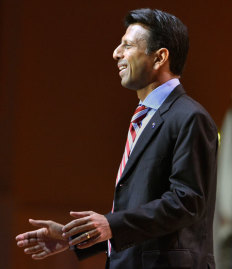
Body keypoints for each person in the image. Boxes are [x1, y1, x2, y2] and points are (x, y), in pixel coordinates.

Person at [15, 8, 218, 269]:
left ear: (160, 57)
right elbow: (141, 215)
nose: (116, 53)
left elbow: (186, 202)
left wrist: (111, 224)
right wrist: (76, 237)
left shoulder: (190, 117)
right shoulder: (145, 117)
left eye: (128, 45)